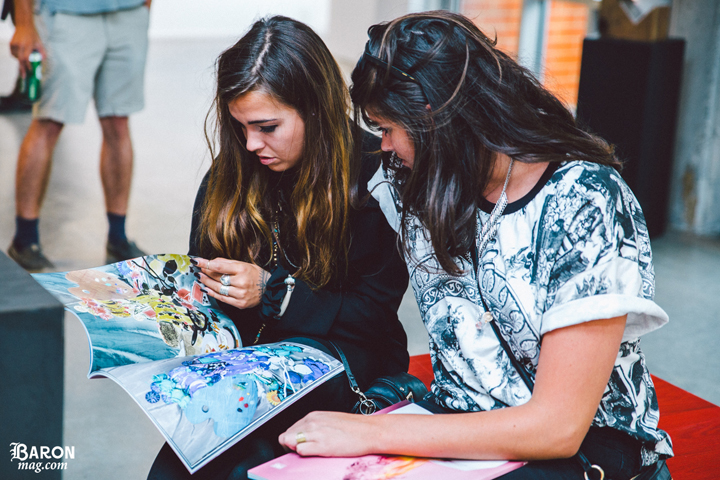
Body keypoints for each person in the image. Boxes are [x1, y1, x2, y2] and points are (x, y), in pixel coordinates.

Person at [278, 11, 673, 480]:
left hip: (586, 450)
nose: (381, 146)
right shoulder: (411, 180)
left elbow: (557, 429)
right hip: (456, 425)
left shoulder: (583, 199)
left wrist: (370, 432)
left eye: (386, 129)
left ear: (435, 121)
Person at [146, 16, 410, 480]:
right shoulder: (229, 175)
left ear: (316, 109)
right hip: (241, 370)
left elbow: (374, 317)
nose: (251, 144)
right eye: (240, 126)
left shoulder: (375, 177)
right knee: (180, 463)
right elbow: (204, 288)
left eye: (267, 126)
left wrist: (274, 292)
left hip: (347, 366)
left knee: (243, 460)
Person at [6, 0, 150, 271]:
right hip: (66, 14)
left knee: (118, 121)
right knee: (49, 122)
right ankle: (25, 239)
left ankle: (118, 237)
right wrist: (24, 24)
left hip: (129, 14)